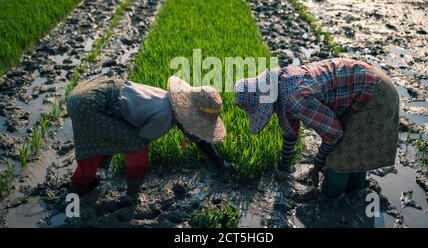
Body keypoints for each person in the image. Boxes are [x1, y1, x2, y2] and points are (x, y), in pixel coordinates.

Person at [234, 58, 399, 198]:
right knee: (353, 154)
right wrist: (282, 168)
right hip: (368, 83)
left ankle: (332, 202)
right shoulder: (283, 81)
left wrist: (317, 165)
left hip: (375, 97)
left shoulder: (296, 100)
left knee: (338, 160)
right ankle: (355, 194)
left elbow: (334, 133)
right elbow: (290, 134)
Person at [66, 75, 227, 202]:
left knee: (96, 141)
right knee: (136, 146)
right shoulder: (164, 116)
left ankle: (79, 185)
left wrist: (219, 163)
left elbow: (197, 138)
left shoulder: (168, 100)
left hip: (86, 94)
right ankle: (131, 194)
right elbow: (140, 140)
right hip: (91, 105)